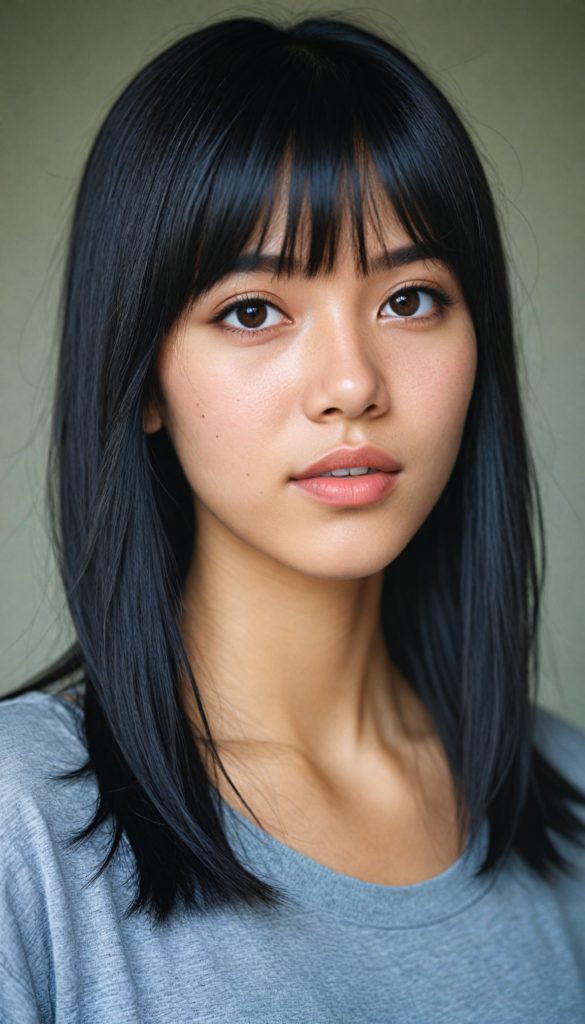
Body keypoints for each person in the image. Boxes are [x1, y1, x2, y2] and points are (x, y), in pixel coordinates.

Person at [1, 16, 584, 1023]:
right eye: (253, 310)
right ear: (141, 376)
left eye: (410, 298)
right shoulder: (20, 827)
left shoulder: (571, 800)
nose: (353, 383)